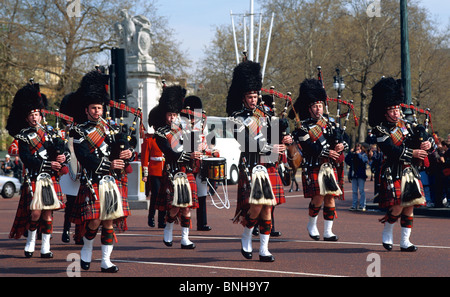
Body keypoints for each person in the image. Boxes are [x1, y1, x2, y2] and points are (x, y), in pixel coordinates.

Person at [226, 60, 292, 262]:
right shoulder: (235, 118)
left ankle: (264, 249)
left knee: (268, 208)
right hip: (252, 165)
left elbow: (276, 137)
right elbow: (244, 142)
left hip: (269, 164)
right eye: (249, 96)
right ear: (243, 97)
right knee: (256, 206)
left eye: (255, 96)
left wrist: (285, 139)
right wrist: (269, 147)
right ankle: (246, 234)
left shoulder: (267, 114)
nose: (253, 100)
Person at [68, 70, 133, 272]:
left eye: (99, 107)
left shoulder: (112, 129)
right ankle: (86, 249)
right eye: (93, 108)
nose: (97, 111)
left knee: (109, 220)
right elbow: (85, 157)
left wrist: (128, 152)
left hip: (111, 181)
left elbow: (121, 147)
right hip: (93, 179)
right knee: (94, 221)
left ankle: (106, 261)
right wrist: (109, 164)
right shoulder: (79, 131)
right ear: (86, 110)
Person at [368, 77, 434, 252]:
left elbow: (425, 141)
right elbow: (390, 149)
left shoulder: (408, 125)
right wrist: (413, 153)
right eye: (392, 109)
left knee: (410, 205)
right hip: (393, 170)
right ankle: (388, 231)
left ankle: (406, 241)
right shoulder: (380, 129)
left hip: (410, 170)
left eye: (397, 108)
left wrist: (427, 144)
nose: (396, 112)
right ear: (385, 111)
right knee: (397, 206)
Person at [7, 83, 69, 258]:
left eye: (37, 114)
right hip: (34, 177)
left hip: (50, 178)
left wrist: (63, 157)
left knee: (48, 213)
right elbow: (27, 159)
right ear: (26, 118)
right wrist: (50, 165)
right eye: (31, 115)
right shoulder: (23, 136)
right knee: (35, 213)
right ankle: (31, 242)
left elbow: (63, 150)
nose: (35, 118)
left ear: (41, 115)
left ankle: (46, 247)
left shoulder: (51, 133)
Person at [290, 78, 348, 242]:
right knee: (318, 198)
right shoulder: (303, 128)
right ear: (309, 108)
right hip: (314, 164)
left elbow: (343, 140)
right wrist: (327, 152)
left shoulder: (330, 125)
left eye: (320, 105)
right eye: (315, 106)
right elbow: (308, 147)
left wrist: (341, 146)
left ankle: (328, 231)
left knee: (330, 196)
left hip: (329, 166)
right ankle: (311, 224)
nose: (318, 109)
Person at [152, 85, 199, 249]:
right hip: (172, 172)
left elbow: (193, 148)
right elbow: (169, 152)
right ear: (164, 115)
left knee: (186, 208)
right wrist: (189, 155)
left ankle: (185, 239)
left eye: (174, 114)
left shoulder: (185, 130)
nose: (172, 118)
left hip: (187, 172)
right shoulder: (160, 133)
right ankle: (168, 230)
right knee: (174, 207)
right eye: (170, 114)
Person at [180, 95, 218, 231]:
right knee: (184, 196)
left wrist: (208, 149)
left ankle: (202, 223)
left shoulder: (202, 124)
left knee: (202, 194)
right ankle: (183, 223)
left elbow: (208, 142)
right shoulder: (181, 125)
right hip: (186, 165)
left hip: (199, 164)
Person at [141, 108, 166, 228]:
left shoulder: (168, 139)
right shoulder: (150, 140)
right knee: (155, 194)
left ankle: (162, 220)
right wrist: (144, 174)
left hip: (165, 170)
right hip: (154, 171)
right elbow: (145, 157)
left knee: (164, 195)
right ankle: (151, 216)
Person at [345, 143, 369, 211]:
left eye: (359, 148)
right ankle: (354, 205)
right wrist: (350, 153)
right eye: (356, 148)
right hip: (354, 174)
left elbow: (364, 161)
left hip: (361, 175)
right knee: (354, 191)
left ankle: (362, 205)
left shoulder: (364, 154)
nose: (357, 150)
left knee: (361, 190)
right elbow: (347, 160)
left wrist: (358, 154)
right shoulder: (353, 155)